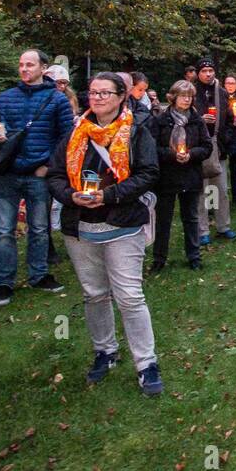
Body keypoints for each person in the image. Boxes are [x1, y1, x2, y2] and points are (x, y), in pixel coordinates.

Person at [47, 72, 164, 396]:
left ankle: (146, 364)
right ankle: (105, 351)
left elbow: (149, 173)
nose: (96, 98)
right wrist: (69, 196)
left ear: (120, 97)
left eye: (104, 93)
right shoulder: (75, 134)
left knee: (129, 296)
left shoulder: (136, 131)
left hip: (122, 224)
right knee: (95, 294)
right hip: (80, 227)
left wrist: (109, 195)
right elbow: (55, 174)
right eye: (93, 93)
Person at [0, 49, 74, 306]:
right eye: (21, 64)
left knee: (40, 229)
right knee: (3, 231)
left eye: (29, 65)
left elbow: (66, 140)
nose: (24, 69)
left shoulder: (57, 100)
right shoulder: (6, 97)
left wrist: (49, 168)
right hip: (6, 173)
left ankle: (39, 274)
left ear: (43, 68)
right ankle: (3, 282)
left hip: (38, 174)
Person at [150, 79, 210, 272]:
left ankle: (194, 256)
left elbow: (207, 146)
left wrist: (191, 154)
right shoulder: (161, 120)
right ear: (173, 97)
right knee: (163, 219)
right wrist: (172, 155)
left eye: (189, 96)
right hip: (167, 176)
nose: (186, 100)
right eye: (183, 96)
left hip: (190, 174)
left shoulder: (196, 120)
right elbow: (153, 148)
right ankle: (159, 258)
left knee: (191, 217)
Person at [192, 58, 236, 246]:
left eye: (211, 70)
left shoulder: (222, 93)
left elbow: (229, 119)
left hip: (218, 147)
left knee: (221, 190)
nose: (208, 74)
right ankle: (202, 230)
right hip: (199, 147)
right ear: (198, 73)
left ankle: (223, 225)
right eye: (204, 71)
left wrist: (224, 138)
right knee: (201, 191)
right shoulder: (191, 92)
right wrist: (199, 119)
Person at [222, 75, 236, 206]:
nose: (230, 85)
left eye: (232, 83)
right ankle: (221, 195)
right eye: (227, 83)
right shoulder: (220, 98)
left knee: (235, 168)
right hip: (225, 135)